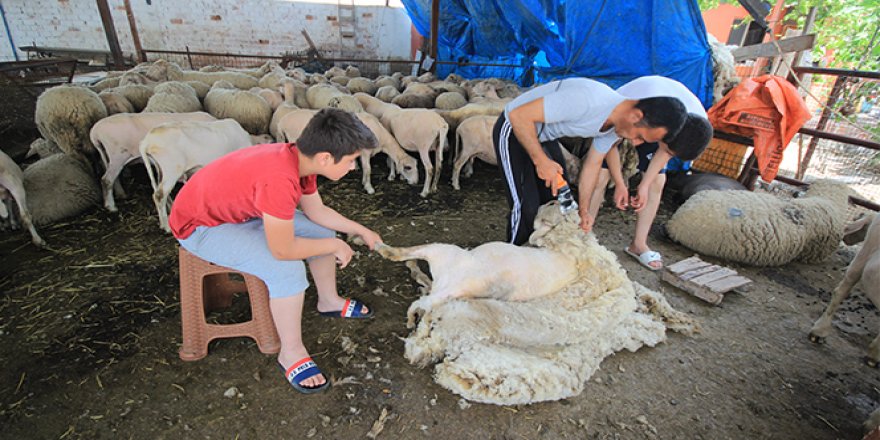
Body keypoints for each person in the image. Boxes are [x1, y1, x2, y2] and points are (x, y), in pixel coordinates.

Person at [168, 108, 383, 394]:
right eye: (353, 160)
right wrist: (334, 245)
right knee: (286, 268)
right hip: (201, 227)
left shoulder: (298, 160)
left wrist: (358, 230)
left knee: (320, 232)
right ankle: (291, 352)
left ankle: (329, 300)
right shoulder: (280, 179)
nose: (354, 168)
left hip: (237, 213)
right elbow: (283, 250)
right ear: (325, 158)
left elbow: (316, 211)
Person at [493, 77, 688, 246]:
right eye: (639, 136)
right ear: (636, 115)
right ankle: (514, 257)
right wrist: (541, 161)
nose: (635, 143)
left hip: (544, 136)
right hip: (513, 128)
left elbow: (592, 165)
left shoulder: (615, 127)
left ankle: (538, 251)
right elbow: (519, 115)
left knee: (555, 201)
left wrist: (584, 211)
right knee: (525, 205)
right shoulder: (589, 101)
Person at [585, 76, 713, 271]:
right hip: (632, 116)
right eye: (669, 149)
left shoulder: (696, 128)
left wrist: (644, 185)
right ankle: (584, 235)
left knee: (657, 182)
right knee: (600, 177)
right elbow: (609, 145)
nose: (668, 153)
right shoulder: (634, 107)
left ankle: (638, 244)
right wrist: (620, 183)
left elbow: (666, 151)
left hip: (664, 125)